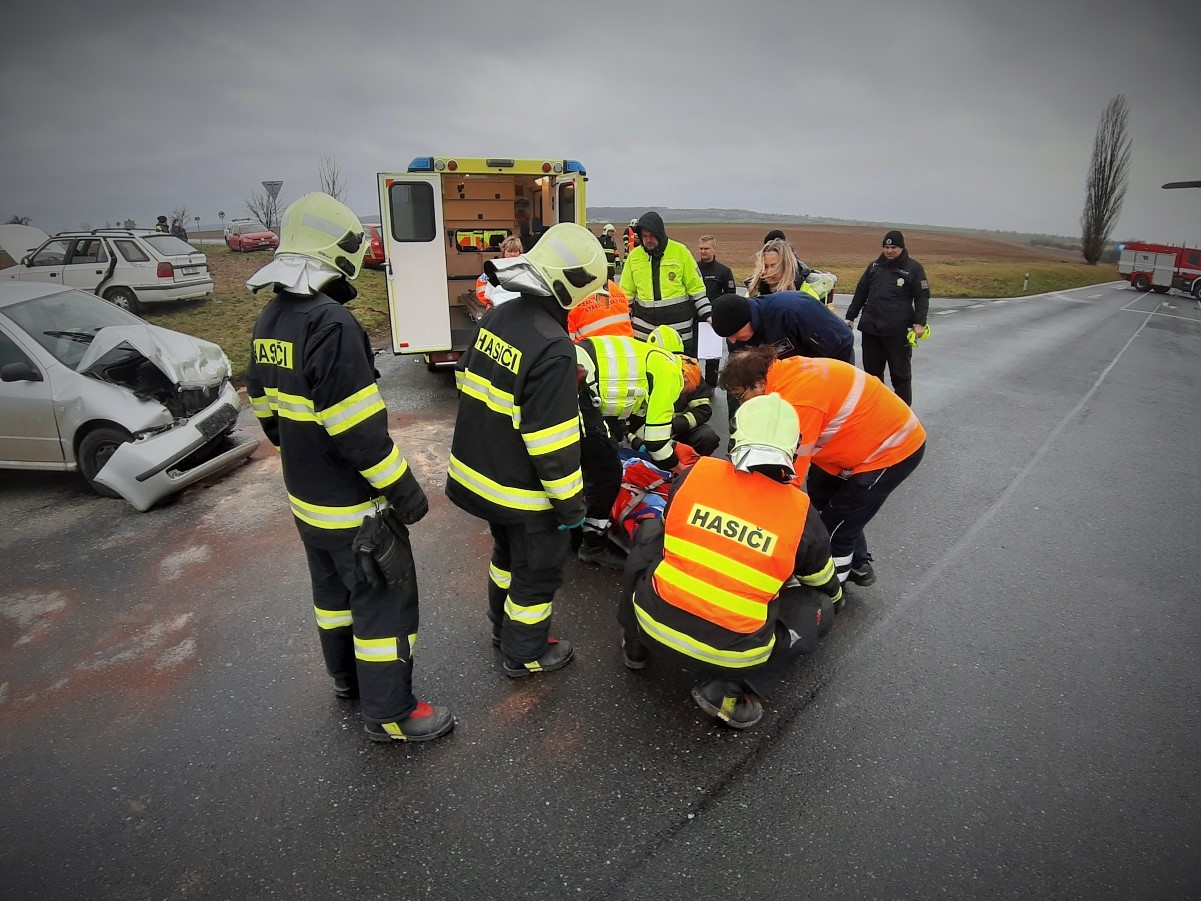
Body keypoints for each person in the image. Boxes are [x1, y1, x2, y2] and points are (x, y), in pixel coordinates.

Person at [245, 192, 453, 743]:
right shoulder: (331, 324)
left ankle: (348, 681)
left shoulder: (271, 316)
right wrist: (406, 492)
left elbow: (265, 412)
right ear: (338, 253)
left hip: (306, 501)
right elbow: (360, 435)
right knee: (384, 603)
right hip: (353, 510)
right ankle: (392, 713)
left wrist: (301, 450)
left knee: (334, 597)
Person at [619, 394, 843, 729]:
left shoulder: (696, 474)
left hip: (651, 622)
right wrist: (836, 599)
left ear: (736, 435)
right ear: (793, 449)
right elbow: (820, 579)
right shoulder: (800, 512)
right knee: (819, 607)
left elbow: (671, 528)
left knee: (651, 535)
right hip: (731, 656)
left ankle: (634, 642)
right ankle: (729, 692)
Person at [446, 222, 607, 677]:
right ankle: (525, 652)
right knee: (538, 571)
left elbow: (465, 377)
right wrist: (571, 506)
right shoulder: (554, 347)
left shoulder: (500, 315)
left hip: (483, 475)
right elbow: (552, 445)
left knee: (506, 558)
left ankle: (503, 629)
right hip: (523, 492)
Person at [719, 346, 926, 588]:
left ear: (759, 383)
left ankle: (831, 590)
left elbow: (788, 479)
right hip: (858, 438)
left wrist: (753, 518)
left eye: (740, 396)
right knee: (821, 495)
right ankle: (858, 564)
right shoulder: (783, 372)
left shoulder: (797, 405)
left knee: (836, 527)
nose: (740, 403)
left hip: (892, 449)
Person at [574, 325, 687, 567]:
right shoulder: (670, 371)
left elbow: (632, 419)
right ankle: (592, 545)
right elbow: (657, 443)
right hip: (578, 382)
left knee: (583, 456)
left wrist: (666, 445)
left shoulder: (643, 359)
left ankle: (572, 526)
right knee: (607, 471)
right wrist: (682, 470)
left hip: (575, 373)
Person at [844, 230, 930, 406]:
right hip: (871, 329)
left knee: (900, 375)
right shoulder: (874, 267)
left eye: (893, 248)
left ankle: (903, 414)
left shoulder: (913, 268)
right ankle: (877, 411)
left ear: (902, 248)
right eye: (886, 247)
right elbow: (861, 292)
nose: (889, 251)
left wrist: (920, 323)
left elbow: (922, 297)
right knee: (872, 376)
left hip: (897, 332)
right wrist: (850, 316)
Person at [619, 211, 710, 357]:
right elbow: (625, 295)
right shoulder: (634, 256)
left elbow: (697, 290)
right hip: (644, 330)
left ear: (660, 233)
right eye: (644, 236)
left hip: (678, 329)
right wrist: (621, 322)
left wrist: (709, 315)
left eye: (651, 235)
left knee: (680, 367)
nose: (648, 240)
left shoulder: (680, 252)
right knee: (644, 366)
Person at [710, 291, 855, 365]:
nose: (732, 340)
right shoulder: (737, 338)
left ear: (748, 319)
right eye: (727, 337)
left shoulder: (793, 310)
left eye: (735, 333)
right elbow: (741, 378)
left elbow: (841, 344)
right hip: (788, 378)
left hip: (830, 364)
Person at [695, 234, 737, 387]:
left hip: (713, 320)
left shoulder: (723, 271)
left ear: (714, 249)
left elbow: (731, 295)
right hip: (695, 318)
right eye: (701, 248)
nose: (703, 252)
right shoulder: (693, 269)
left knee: (712, 357)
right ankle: (695, 384)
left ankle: (711, 386)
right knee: (692, 355)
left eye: (706, 248)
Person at [567, 279, 634, 342]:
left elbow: (570, 337)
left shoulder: (574, 296)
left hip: (595, 348)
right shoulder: (612, 286)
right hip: (628, 345)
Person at [474, 235, 523, 310]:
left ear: (520, 252)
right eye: (509, 251)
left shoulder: (525, 269)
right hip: (499, 308)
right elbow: (481, 285)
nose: (513, 254)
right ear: (503, 252)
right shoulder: (495, 268)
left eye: (515, 251)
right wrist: (488, 303)